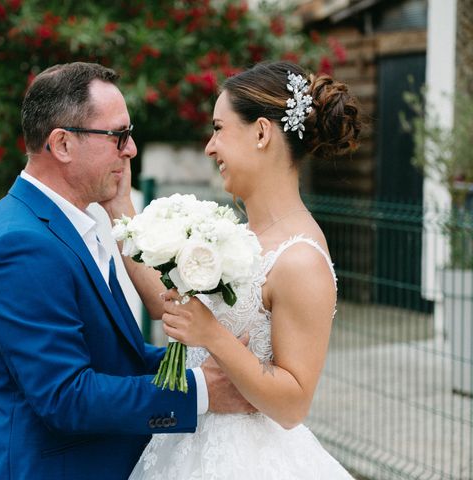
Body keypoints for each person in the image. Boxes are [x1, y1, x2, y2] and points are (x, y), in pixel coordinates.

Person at [0, 62, 253, 480]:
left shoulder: (73, 224)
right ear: (62, 144)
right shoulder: (20, 246)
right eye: (118, 136)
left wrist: (207, 359)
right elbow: (66, 397)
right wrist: (202, 390)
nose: (130, 150)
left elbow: (113, 358)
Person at [108, 61, 361, 478]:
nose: (209, 147)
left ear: (262, 132)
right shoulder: (239, 236)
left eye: (219, 128)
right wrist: (119, 207)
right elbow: (168, 305)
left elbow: (293, 404)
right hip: (186, 445)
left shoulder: (301, 259)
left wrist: (211, 335)